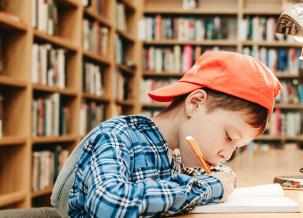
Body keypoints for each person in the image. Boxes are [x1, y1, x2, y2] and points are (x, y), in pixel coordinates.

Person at [68, 50, 281, 217]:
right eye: (229, 137)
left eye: (237, 147)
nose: (227, 154)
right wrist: (210, 186)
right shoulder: (117, 136)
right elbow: (110, 205)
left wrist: (223, 180)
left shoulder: (180, 153)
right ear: (196, 103)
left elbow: (223, 174)